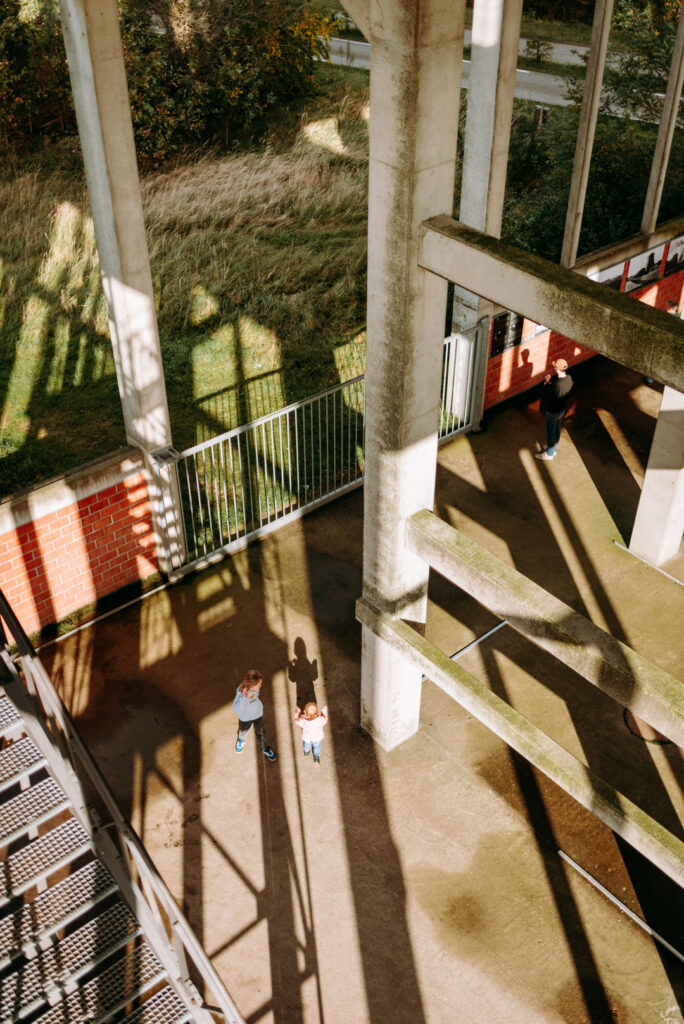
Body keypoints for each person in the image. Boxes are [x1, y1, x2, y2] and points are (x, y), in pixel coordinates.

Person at [233, 669, 277, 761]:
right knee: (243, 731)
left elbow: (254, 698)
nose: (260, 686)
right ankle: (241, 740)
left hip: (257, 714)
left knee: (261, 733)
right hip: (245, 718)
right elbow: (236, 708)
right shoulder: (241, 694)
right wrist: (244, 698)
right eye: (258, 684)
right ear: (251, 685)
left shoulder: (255, 689)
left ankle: (265, 747)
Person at [535, 357, 573, 461]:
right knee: (557, 429)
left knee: (550, 431)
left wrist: (547, 382)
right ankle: (552, 447)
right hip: (562, 409)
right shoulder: (569, 378)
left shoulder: (556, 385)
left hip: (553, 411)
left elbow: (547, 393)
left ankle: (550, 453)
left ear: (557, 368)